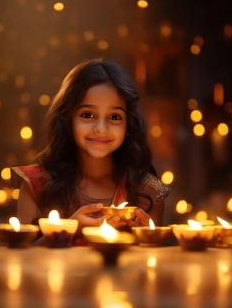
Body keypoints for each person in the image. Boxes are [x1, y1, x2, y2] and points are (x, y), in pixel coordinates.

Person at [12, 58, 170, 242]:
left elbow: (151, 266)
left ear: (129, 125)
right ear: (68, 119)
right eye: (87, 115)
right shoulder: (36, 184)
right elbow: (19, 262)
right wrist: (69, 230)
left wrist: (146, 242)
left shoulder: (147, 192)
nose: (101, 128)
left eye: (114, 116)